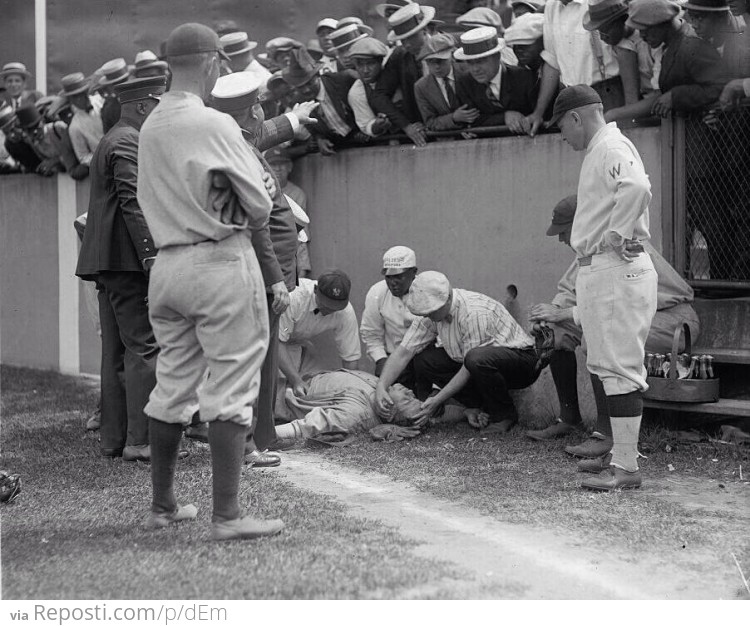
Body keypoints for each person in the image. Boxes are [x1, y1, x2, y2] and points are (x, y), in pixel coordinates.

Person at [137, 23, 284, 540]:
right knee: (231, 384)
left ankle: (163, 505)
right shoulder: (214, 123)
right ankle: (227, 516)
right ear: (210, 62)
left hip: (167, 264)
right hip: (219, 259)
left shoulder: (150, 124)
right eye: (220, 60)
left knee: (173, 384)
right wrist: (258, 185)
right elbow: (262, 205)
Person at [527, 195, 700, 460]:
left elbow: (620, 303)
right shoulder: (591, 247)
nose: (562, 239)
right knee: (559, 333)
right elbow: (570, 290)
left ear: (581, 222)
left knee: (597, 339)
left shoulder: (623, 243)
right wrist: (549, 316)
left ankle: (606, 434)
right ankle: (569, 417)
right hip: (625, 315)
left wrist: (563, 312)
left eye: (563, 231)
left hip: (671, 319)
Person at [550, 84, 658, 491]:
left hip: (615, 266)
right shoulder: (602, 148)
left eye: (563, 126)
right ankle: (621, 459)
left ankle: (627, 469)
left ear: (576, 117)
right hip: (601, 268)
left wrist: (616, 232)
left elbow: (638, 189)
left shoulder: (610, 145)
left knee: (620, 370)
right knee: (607, 365)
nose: (563, 136)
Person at [209, 72, 317, 462]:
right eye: (257, 107)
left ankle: (257, 434)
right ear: (250, 112)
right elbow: (257, 226)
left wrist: (292, 119)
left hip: (265, 267)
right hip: (260, 269)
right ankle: (248, 441)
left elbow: (257, 135)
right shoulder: (237, 151)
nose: (260, 112)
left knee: (262, 354)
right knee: (256, 357)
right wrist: (274, 279)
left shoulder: (235, 139)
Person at [75, 75, 169, 462]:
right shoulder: (129, 139)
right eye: (158, 106)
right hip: (128, 262)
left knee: (115, 352)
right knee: (144, 348)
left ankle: (115, 440)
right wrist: (151, 256)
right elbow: (133, 201)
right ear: (144, 105)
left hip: (109, 262)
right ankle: (140, 440)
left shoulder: (112, 138)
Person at [375, 271, 541, 431]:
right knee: (426, 359)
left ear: (447, 299)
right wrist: (382, 386)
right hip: (473, 362)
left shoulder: (474, 313)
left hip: (521, 364)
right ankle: (476, 407)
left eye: (432, 311)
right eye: (425, 312)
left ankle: (504, 415)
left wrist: (438, 400)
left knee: (476, 358)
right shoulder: (430, 314)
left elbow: (469, 366)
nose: (428, 316)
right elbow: (404, 351)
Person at [606, 0, 725, 121]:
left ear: (662, 23)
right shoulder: (670, 45)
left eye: (646, 30)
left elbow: (720, 86)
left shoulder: (693, 45)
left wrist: (676, 96)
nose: (642, 36)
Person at [526, 0, 622, 138]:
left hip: (607, 93)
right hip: (573, 98)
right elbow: (552, 62)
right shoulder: (552, 7)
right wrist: (538, 113)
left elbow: (625, 47)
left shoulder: (596, 2)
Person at [275, 370, 423, 444]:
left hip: (278, 395)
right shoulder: (382, 387)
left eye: (407, 399)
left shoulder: (357, 414)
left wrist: (263, 434)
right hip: (299, 374)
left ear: (389, 412)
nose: (410, 392)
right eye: (412, 395)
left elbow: (307, 427)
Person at [278, 270, 361, 398]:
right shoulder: (294, 296)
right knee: (274, 390)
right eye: (325, 304)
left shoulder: (345, 312)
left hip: (295, 343)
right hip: (267, 338)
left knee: (315, 385)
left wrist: (351, 390)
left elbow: (350, 357)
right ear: (316, 290)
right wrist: (296, 381)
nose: (329, 311)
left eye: (335, 307)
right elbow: (278, 343)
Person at [370, 2, 434, 147]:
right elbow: (379, 96)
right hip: (419, 134)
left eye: (411, 37)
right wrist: (407, 126)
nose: (407, 44)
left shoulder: (447, 45)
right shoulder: (400, 55)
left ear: (423, 30)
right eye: (403, 39)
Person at [454, 27, 539, 132]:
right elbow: (471, 120)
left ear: (497, 56)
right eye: (470, 63)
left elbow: (540, 115)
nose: (475, 69)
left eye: (481, 61)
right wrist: (504, 117)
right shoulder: (464, 83)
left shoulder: (525, 78)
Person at [361, 246, 419, 386]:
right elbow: (371, 333)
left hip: (422, 359)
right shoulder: (377, 292)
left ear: (414, 272)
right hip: (392, 357)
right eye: (388, 277)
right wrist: (381, 360)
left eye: (399, 276)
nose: (393, 283)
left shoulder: (427, 291)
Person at [282, 48, 358, 156]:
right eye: (300, 87)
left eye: (309, 83)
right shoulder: (299, 103)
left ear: (318, 75)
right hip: (340, 149)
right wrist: (320, 139)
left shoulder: (343, 80)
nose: (306, 90)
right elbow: (313, 128)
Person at [583, 0, 657, 105]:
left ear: (625, 19)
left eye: (605, 31)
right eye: (599, 32)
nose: (602, 37)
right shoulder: (623, 43)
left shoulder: (650, 41)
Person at [263, 147, 312, 279]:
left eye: (282, 164)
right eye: (273, 164)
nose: (278, 169)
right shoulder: (259, 189)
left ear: (290, 167)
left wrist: (303, 269)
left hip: (286, 255)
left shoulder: (297, 194)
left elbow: (300, 235)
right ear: (265, 168)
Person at [415, 33, 478, 130]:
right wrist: (453, 118)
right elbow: (430, 122)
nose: (437, 67)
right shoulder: (421, 87)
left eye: (441, 61)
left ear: (451, 56)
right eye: (431, 61)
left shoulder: (469, 72)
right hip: (448, 138)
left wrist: (471, 128)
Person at [685, 0, 750, 80]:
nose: (694, 25)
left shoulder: (743, 44)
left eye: (700, 18)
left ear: (721, 18)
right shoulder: (691, 34)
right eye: (692, 17)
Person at [347, 37, 395, 137]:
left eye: (370, 63)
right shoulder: (357, 93)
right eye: (360, 65)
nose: (365, 70)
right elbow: (366, 126)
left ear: (380, 62)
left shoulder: (396, 75)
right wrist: (378, 125)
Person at [15, 104, 75, 176]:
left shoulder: (58, 129)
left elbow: (75, 152)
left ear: (42, 121)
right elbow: (46, 161)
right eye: (29, 130)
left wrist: (55, 161)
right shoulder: (33, 143)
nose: (35, 132)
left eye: (36, 126)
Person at [61, 72, 104, 167]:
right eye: (75, 96)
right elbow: (83, 156)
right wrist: (101, 161)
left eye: (82, 93)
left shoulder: (103, 102)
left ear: (87, 91)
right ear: (70, 100)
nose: (80, 98)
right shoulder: (75, 126)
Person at [97, 58, 131, 133]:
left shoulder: (144, 97)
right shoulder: (109, 111)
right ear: (111, 87)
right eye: (116, 84)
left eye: (124, 81)